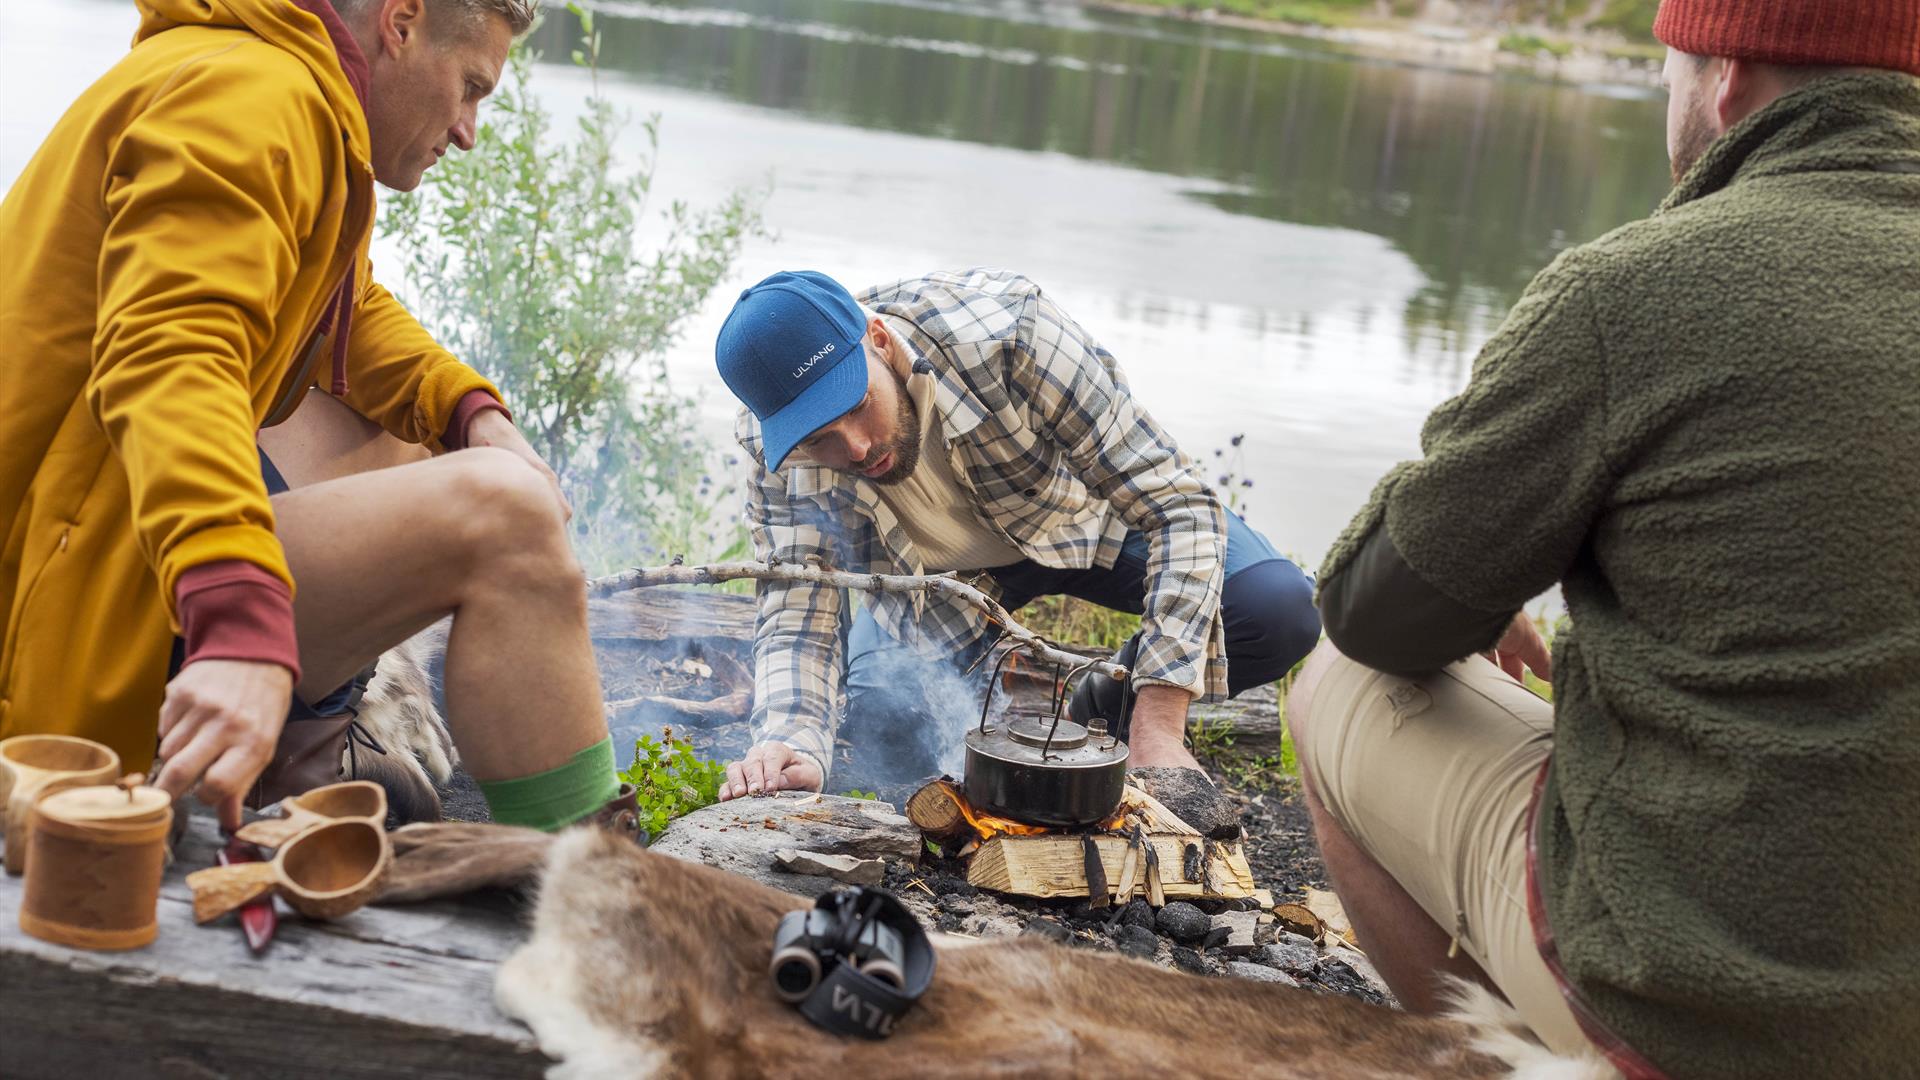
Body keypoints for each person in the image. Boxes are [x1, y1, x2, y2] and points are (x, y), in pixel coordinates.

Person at [1284, 2, 1920, 1075]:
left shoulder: (1637, 288)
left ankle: (1528, 1059)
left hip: (1701, 1011)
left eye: (1665, 69)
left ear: (1723, 74)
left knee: (1333, 684)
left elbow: (1377, 613)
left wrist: (1490, 562)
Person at [0, 0, 638, 836]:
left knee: (419, 449)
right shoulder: (253, 100)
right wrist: (240, 625)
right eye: (471, 86)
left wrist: (469, 411)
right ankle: (596, 889)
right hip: (52, 618)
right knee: (505, 517)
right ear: (401, 25)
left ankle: (302, 754)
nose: (470, 129)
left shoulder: (270, 77)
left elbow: (343, 311)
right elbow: (172, 358)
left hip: (94, 539)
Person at [711, 268, 1321, 800]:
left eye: (858, 404)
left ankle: (1103, 703)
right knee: (884, 722)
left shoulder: (1011, 332)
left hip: (1081, 523)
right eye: (820, 437)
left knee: (1278, 610)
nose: (857, 447)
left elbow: (1175, 504)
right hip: (941, 586)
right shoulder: (779, 451)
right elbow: (799, 602)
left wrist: (1159, 725)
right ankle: (1032, 706)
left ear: (877, 340)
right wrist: (791, 738)